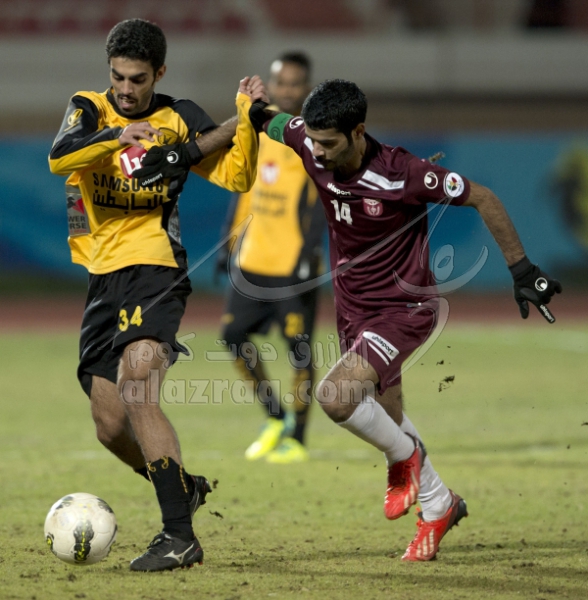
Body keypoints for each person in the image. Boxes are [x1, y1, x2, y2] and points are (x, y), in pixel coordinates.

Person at [244, 78, 562, 560]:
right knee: (387, 417)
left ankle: (407, 458)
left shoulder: (403, 174)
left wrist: (522, 270)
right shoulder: (307, 141)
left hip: (403, 310)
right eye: (313, 141)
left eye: (328, 144)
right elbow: (269, 121)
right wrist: (254, 104)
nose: (318, 153)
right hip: (352, 308)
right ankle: (439, 503)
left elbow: (485, 197)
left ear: (358, 132)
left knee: (335, 397)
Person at [48, 18, 266, 571]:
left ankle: (179, 536)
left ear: (159, 73)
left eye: (137, 79)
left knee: (138, 384)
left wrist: (245, 120)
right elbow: (60, 157)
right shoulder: (90, 108)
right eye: (118, 76)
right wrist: (115, 136)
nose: (125, 88)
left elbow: (238, 176)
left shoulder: (180, 118)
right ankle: (183, 488)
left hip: (156, 267)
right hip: (103, 278)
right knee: (109, 425)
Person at [217, 52, 326, 464]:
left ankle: (297, 437)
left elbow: (320, 202)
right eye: (281, 82)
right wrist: (228, 242)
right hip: (252, 260)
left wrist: (309, 254)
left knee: (299, 351)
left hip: (292, 266)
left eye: (295, 83)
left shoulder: (316, 136)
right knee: (232, 336)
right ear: (273, 84)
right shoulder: (260, 127)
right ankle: (275, 416)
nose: (287, 90)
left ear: (307, 87)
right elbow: (244, 187)